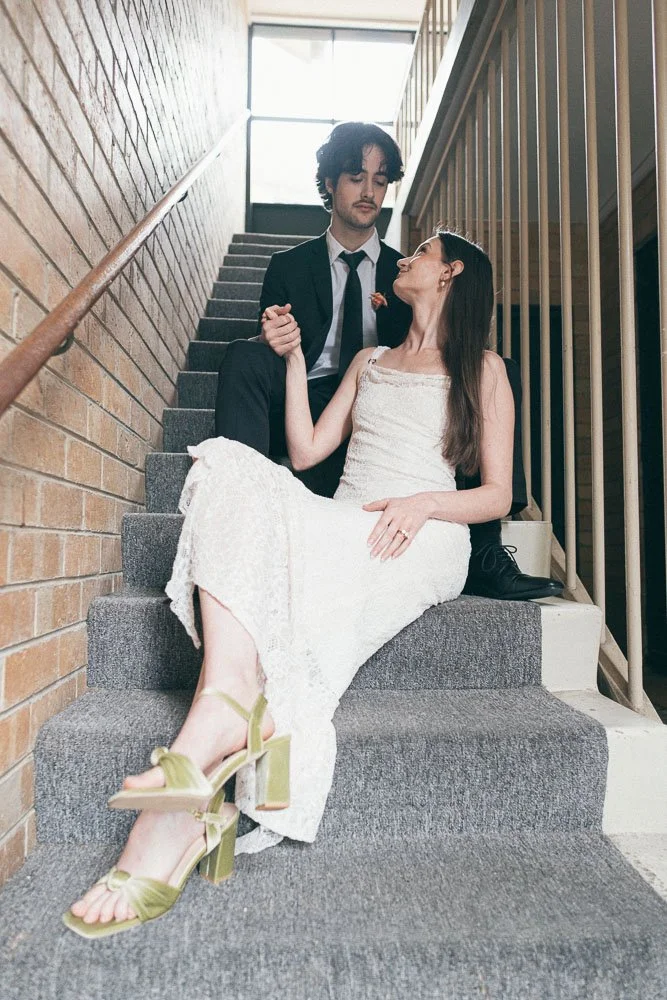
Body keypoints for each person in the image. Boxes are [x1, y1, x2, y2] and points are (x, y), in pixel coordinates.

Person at [64, 231, 517, 938]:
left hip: (421, 531)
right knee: (225, 463)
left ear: (451, 272)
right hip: (341, 515)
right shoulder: (369, 360)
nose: (404, 258)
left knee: (285, 578)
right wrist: (297, 358)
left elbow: (495, 494)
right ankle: (224, 715)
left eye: (421, 252)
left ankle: (182, 795)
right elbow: (306, 451)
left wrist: (424, 502)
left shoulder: (482, 369)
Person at [215, 121, 562, 601]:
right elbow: (282, 348)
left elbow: (440, 361)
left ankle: (485, 546)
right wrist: (276, 338)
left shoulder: (406, 271)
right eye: (357, 176)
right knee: (245, 356)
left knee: (496, 367)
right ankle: (239, 503)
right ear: (330, 182)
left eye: (380, 181)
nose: (369, 191)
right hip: (313, 405)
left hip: (386, 429)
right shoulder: (287, 267)